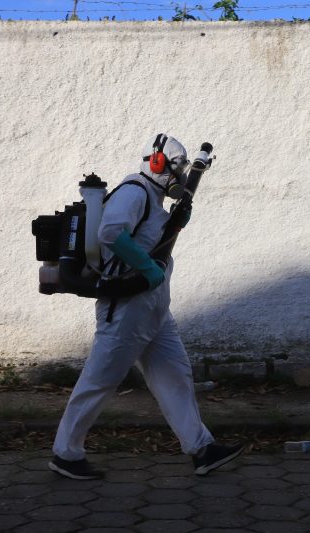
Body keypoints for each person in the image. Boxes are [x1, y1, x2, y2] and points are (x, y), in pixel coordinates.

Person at [49, 133, 243, 480]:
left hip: (153, 308)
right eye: (175, 169)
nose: (179, 177)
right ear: (156, 163)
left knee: (175, 375)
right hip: (127, 307)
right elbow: (110, 232)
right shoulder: (134, 191)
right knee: (100, 379)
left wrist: (175, 224)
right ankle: (66, 453)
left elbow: (150, 238)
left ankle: (201, 448)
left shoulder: (153, 198)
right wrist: (147, 267)